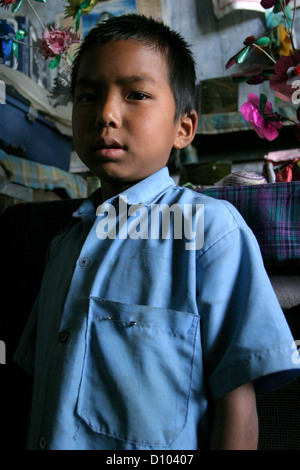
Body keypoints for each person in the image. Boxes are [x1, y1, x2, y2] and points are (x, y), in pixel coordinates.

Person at [14, 14, 300, 450]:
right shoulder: (62, 244)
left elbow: (237, 409)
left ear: (183, 127)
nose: (106, 114)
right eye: (88, 96)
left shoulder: (210, 231)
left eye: (137, 94)